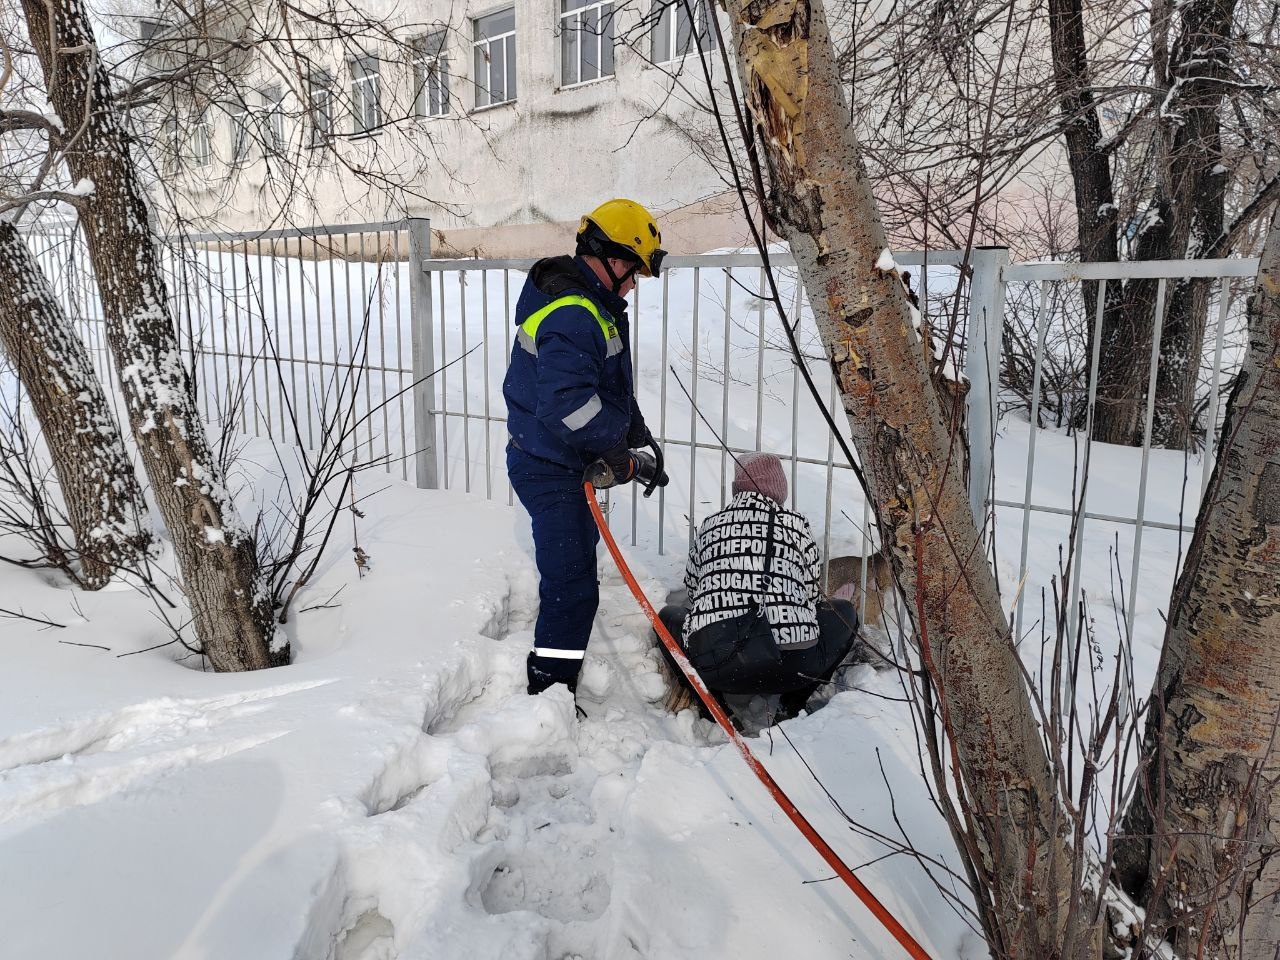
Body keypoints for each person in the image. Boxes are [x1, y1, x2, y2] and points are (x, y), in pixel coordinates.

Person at [504, 199, 670, 696]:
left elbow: (605, 386)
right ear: (611, 258)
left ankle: (555, 686)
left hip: (559, 456)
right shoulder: (576, 313)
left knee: (574, 575)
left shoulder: (591, 305)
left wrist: (634, 434)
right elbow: (567, 407)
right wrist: (616, 452)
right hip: (548, 466)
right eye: (633, 270)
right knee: (572, 584)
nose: (635, 283)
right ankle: (550, 692)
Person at [657, 452, 860, 719]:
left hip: (718, 663)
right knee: (844, 614)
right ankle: (791, 706)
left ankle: (713, 707)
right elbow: (811, 594)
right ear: (780, 489)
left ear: (737, 486)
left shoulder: (710, 526)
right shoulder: (795, 525)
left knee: (666, 619)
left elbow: (695, 591)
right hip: (793, 667)